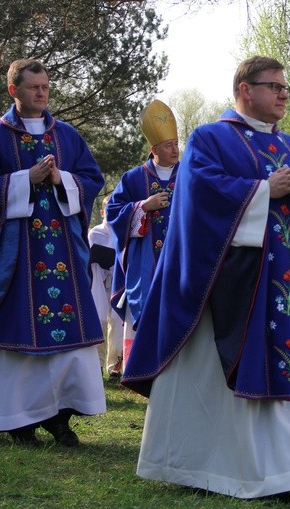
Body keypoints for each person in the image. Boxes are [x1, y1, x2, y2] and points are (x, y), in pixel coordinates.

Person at [121, 56, 290, 502]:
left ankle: (285, 473)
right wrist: (264, 190)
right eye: (273, 85)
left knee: (278, 367)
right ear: (244, 89)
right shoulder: (210, 138)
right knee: (211, 378)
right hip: (225, 286)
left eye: (285, 86)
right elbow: (201, 193)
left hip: (279, 281)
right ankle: (194, 464)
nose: (283, 94)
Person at [0, 59, 106, 447]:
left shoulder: (67, 136)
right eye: (34, 87)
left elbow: (92, 179)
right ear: (13, 91)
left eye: (46, 86)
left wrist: (60, 179)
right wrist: (25, 179)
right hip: (17, 258)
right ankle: (19, 421)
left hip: (63, 259)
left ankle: (60, 418)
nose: (42, 93)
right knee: (17, 334)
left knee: (71, 342)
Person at [106, 99, 179, 372]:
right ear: (154, 149)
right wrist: (142, 206)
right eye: (168, 145)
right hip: (144, 264)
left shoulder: (189, 175)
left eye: (176, 143)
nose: (175, 149)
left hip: (179, 260)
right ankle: (142, 369)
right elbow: (113, 212)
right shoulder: (134, 178)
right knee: (146, 310)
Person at [88, 194, 125, 379]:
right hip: (98, 281)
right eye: (107, 209)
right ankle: (97, 363)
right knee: (100, 319)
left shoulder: (123, 232)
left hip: (118, 282)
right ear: (102, 212)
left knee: (118, 323)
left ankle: (115, 366)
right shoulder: (95, 233)